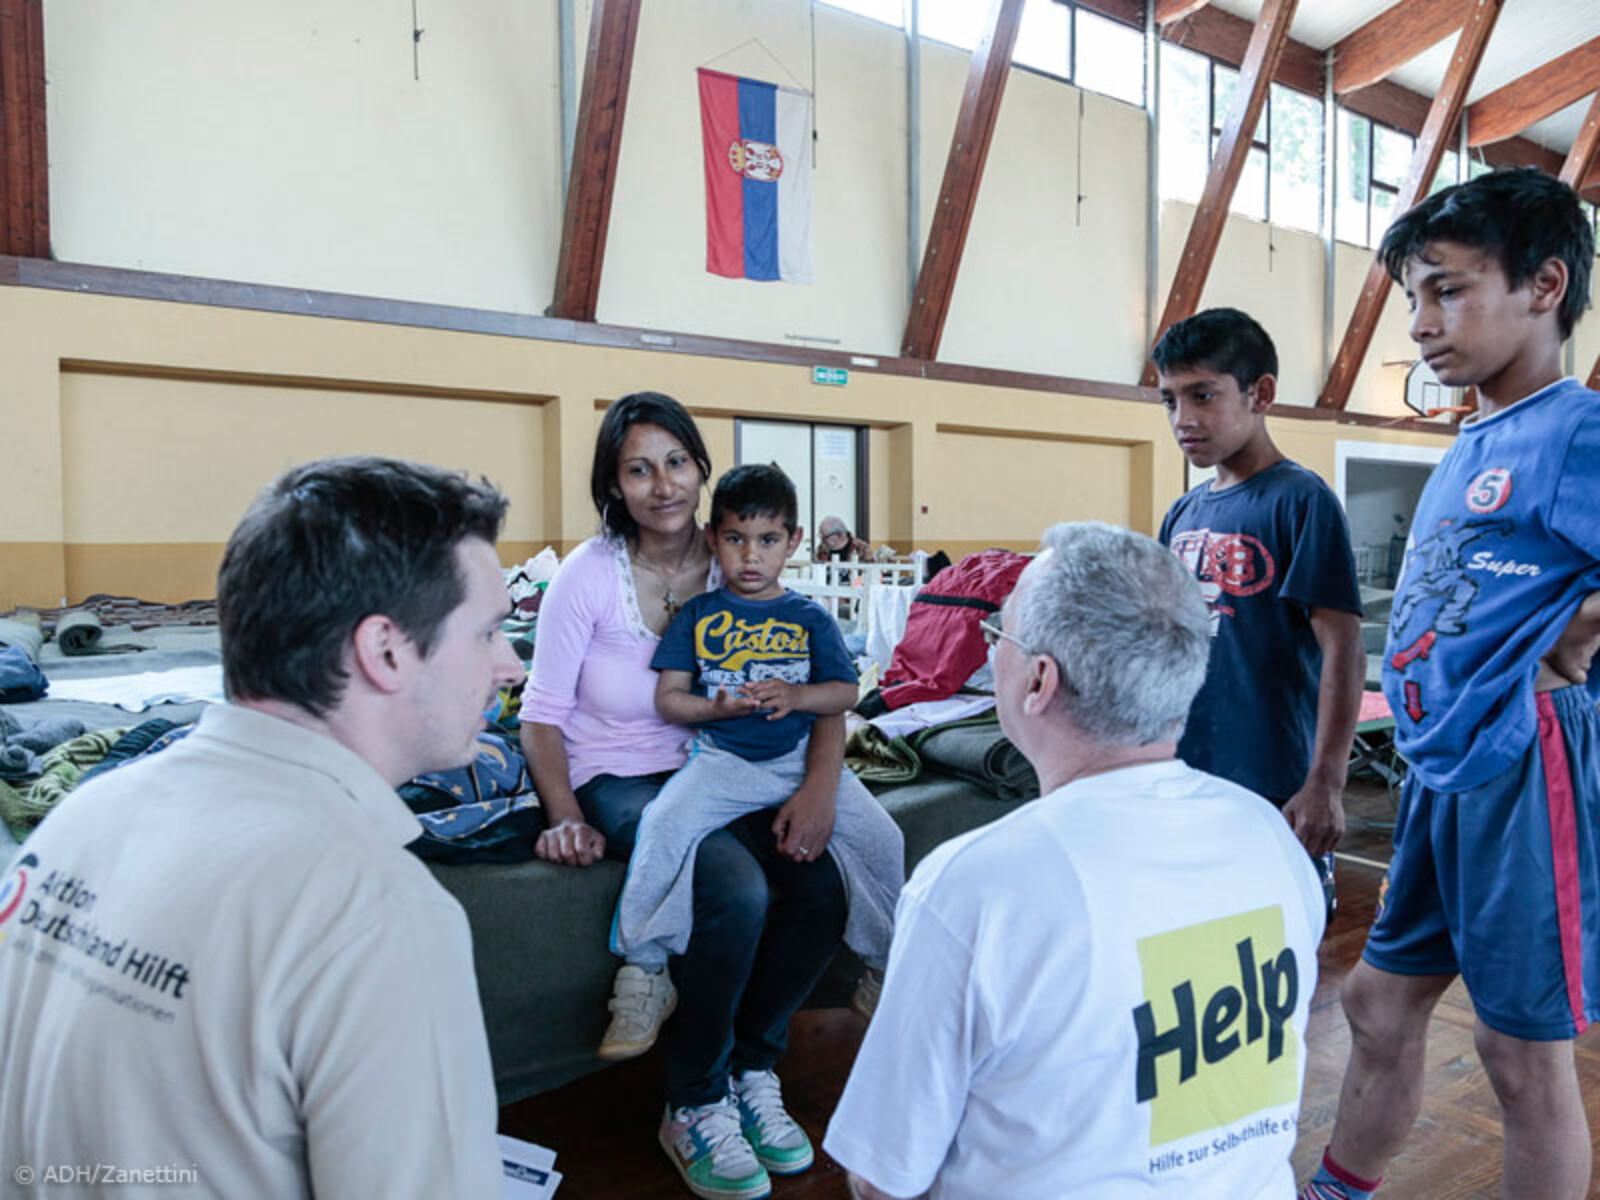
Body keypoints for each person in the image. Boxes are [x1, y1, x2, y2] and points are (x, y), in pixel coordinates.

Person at [0, 456, 523, 1198]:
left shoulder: (84, 815)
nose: (508, 664)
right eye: (490, 632)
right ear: (385, 650)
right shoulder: (377, 914)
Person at [825, 521, 1325, 1199]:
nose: (991, 654)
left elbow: (882, 1175)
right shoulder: (1270, 838)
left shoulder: (978, 884)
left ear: (1038, 680)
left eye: (997, 636)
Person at [1302, 169, 1600, 1200]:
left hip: (1524, 768)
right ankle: (1338, 1185)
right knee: (1375, 1008)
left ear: (1543, 285)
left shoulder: (1574, 429)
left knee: (1522, 1062)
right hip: (1438, 770)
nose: (1421, 323)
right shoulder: (1476, 436)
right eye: (1413, 298)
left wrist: (1573, 645)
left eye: (1447, 290)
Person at [521, 393, 857, 1200]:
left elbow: (820, 693)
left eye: (676, 462)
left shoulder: (735, 559)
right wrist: (565, 816)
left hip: (726, 771)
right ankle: (694, 1099)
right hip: (622, 778)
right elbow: (540, 718)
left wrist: (818, 791)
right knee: (735, 889)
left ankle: (752, 1066)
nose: (661, 484)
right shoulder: (588, 576)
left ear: (702, 471)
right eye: (638, 469)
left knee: (820, 889)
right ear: (614, 483)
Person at [609, 464, 902, 1066]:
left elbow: (844, 694)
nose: (751, 556)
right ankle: (644, 969)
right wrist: (711, 708)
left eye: (767, 540)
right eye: (737, 539)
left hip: (799, 759)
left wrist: (796, 696)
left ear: (793, 543)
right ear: (713, 538)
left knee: (885, 838)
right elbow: (669, 699)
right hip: (723, 761)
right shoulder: (697, 615)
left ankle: (883, 964)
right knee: (664, 824)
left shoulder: (810, 618)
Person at [1155, 307, 1365, 911]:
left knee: (1272, 944)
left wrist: (1326, 779)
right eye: (1169, 400)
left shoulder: (1301, 501)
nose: (1183, 419)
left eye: (1203, 395)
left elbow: (1343, 650)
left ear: (1261, 393)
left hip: (1274, 779)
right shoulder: (1183, 513)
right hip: (1186, 772)